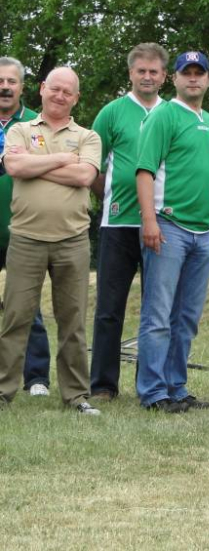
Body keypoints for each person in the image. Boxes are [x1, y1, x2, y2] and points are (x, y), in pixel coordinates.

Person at [135, 51, 209, 413]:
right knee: (158, 314)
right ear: (175, 79)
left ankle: (176, 387)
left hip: (200, 234)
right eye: (187, 73)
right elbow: (145, 171)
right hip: (167, 226)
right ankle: (153, 392)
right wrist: (149, 220)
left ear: (208, 80)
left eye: (200, 73)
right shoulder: (163, 115)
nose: (193, 79)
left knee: (187, 318)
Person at [0, 67, 101, 414]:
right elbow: (15, 169)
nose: (60, 96)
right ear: (42, 89)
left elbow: (85, 175)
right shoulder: (19, 129)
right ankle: (3, 391)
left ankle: (76, 396)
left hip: (72, 240)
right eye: (54, 89)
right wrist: (61, 160)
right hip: (26, 238)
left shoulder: (88, 137)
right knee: (16, 318)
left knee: (72, 321)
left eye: (67, 92)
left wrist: (35, 163)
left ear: (76, 98)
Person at [89, 43, 168, 400]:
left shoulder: (174, 114)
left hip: (165, 225)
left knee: (159, 310)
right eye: (141, 71)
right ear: (131, 74)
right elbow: (92, 165)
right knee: (109, 308)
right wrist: (110, 196)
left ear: (164, 76)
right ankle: (104, 385)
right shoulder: (111, 113)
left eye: (154, 71)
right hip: (118, 224)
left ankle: (153, 382)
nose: (148, 77)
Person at [0, 56, 52, 397]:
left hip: (22, 227)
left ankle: (36, 379)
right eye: (0, 81)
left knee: (26, 304)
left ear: (22, 86)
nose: (4, 87)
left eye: (11, 81)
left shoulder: (37, 123)